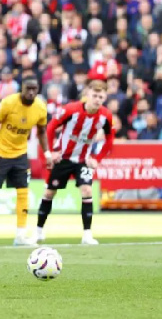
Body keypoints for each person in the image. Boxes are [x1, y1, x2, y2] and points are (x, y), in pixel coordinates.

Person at [0, 76, 53, 247]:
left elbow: (41, 131)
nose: (31, 92)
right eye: (28, 88)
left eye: (35, 89)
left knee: (23, 192)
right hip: (1, 153)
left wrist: (47, 153)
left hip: (20, 155)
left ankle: (20, 234)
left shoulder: (40, 107)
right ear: (22, 89)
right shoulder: (8, 103)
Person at [37, 80, 114, 245]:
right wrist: (50, 153)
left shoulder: (106, 116)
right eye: (95, 95)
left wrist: (97, 159)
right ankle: (39, 230)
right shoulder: (70, 110)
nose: (97, 99)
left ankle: (87, 235)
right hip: (63, 158)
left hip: (83, 160)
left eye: (101, 97)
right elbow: (50, 129)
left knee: (87, 190)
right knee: (49, 193)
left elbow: (109, 140)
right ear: (87, 94)